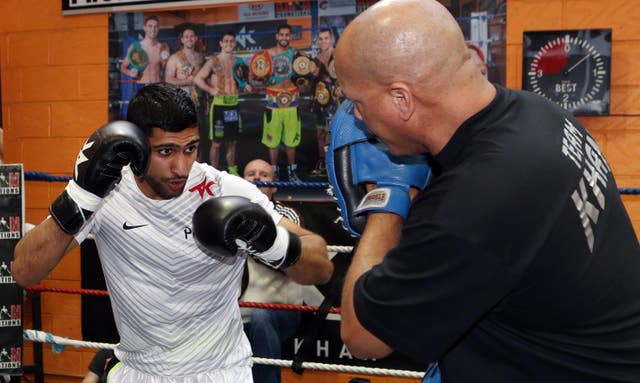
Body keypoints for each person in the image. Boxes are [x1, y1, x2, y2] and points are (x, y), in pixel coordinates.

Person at [331, 0, 640, 382]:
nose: (357, 118)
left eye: (358, 103)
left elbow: (363, 337)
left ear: (401, 99)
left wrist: (387, 199)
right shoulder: (541, 113)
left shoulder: (474, 201)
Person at [11, 82, 333, 382]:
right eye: (166, 151)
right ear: (136, 145)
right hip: (139, 371)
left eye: (191, 148)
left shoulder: (221, 189)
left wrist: (274, 243)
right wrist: (80, 197)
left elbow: (321, 267)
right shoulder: (108, 194)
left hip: (221, 371)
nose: (182, 167)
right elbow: (25, 271)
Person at [241, 158, 303, 383]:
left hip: (278, 310)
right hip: (236, 312)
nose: (257, 177)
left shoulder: (288, 216)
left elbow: (291, 258)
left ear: (274, 186)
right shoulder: (228, 214)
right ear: (241, 182)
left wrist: (245, 239)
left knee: (261, 316)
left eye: (264, 175)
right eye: (251, 174)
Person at [194, 30, 251, 176]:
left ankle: (232, 170)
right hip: (219, 104)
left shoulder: (238, 62)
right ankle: (214, 173)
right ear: (221, 43)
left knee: (232, 141)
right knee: (217, 142)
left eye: (231, 41)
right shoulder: (213, 61)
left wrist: (247, 86)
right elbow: (198, 79)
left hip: (233, 104)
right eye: (226, 41)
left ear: (234, 43)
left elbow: (243, 81)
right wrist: (210, 89)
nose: (229, 44)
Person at [251, 24, 302, 182]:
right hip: (273, 100)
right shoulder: (266, 55)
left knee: (291, 139)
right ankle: (274, 172)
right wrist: (260, 79)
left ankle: (292, 172)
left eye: (287, 35)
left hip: (292, 100)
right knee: (272, 140)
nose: (284, 38)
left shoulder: (296, 55)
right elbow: (254, 77)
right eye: (282, 35)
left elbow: (306, 74)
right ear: (277, 36)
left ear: (291, 37)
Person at [310, 28, 341, 176]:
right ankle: (322, 162)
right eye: (320, 39)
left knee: (335, 133)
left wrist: (342, 89)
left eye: (326, 38)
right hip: (320, 99)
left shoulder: (339, 55)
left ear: (332, 40)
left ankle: (336, 163)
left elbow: (346, 75)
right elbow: (313, 83)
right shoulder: (316, 59)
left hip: (336, 100)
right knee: (320, 133)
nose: (323, 41)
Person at [119, 15, 165, 90]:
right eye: (150, 26)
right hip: (141, 86)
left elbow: (166, 69)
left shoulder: (161, 47)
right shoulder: (135, 46)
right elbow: (123, 67)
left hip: (157, 86)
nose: (153, 29)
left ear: (158, 29)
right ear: (144, 28)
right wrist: (130, 73)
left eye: (155, 26)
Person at [164, 25, 205, 107]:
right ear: (182, 40)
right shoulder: (174, 58)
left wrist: (207, 99)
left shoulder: (201, 57)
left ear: (196, 38)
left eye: (192, 36)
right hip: (182, 98)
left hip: (199, 97)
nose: (189, 39)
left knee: (199, 119)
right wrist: (184, 82)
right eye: (186, 37)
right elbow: (168, 79)